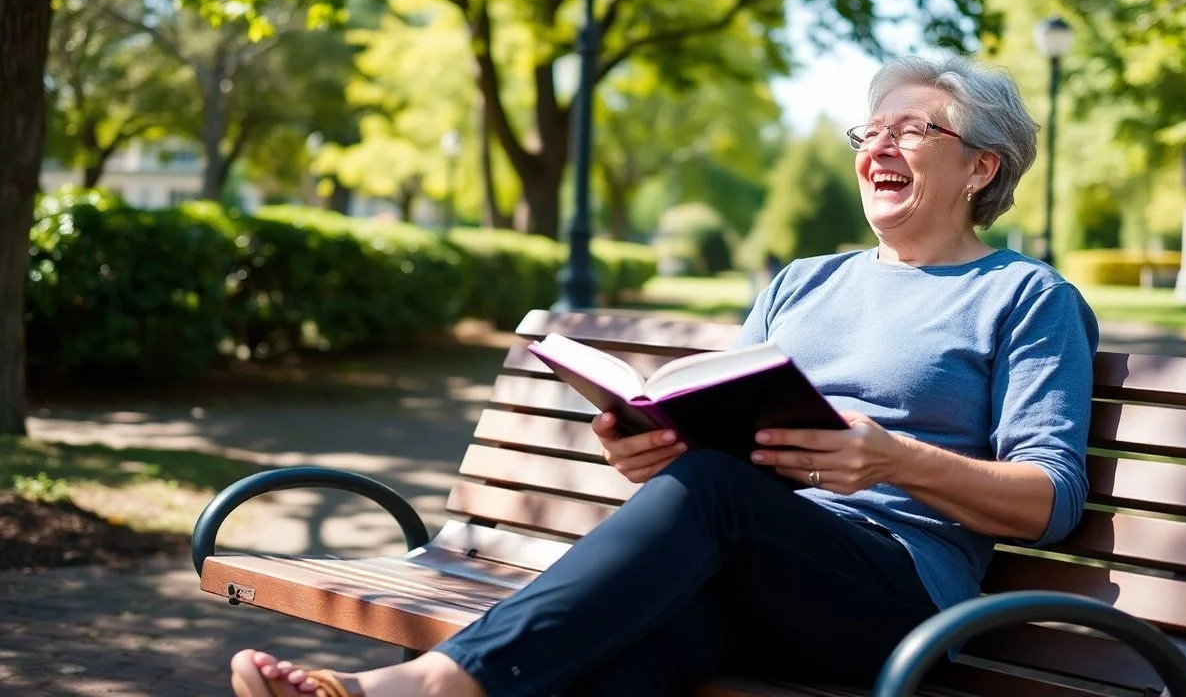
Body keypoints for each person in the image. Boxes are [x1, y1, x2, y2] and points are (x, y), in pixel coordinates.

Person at [229, 53, 1100, 697]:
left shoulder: (1024, 297)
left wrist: (895, 461)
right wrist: (653, 444)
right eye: (870, 131)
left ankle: (420, 687)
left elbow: (1050, 499)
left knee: (714, 495)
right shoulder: (804, 282)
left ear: (982, 166)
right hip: (749, 567)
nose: (880, 145)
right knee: (626, 655)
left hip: (898, 597)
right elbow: (733, 426)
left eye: (913, 130)